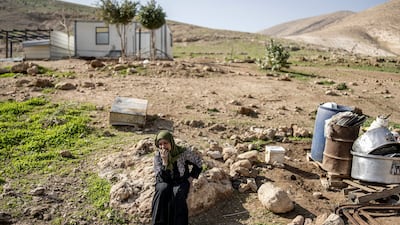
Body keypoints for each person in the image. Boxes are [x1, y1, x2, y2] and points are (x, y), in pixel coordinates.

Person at [151, 130, 203, 225]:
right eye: (160, 144)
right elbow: (161, 177)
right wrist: (165, 162)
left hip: (181, 181)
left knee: (178, 194)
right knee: (162, 191)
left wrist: (191, 177)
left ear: (171, 142)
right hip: (164, 180)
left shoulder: (182, 152)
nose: (163, 147)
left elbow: (198, 163)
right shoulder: (158, 156)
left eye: (165, 143)